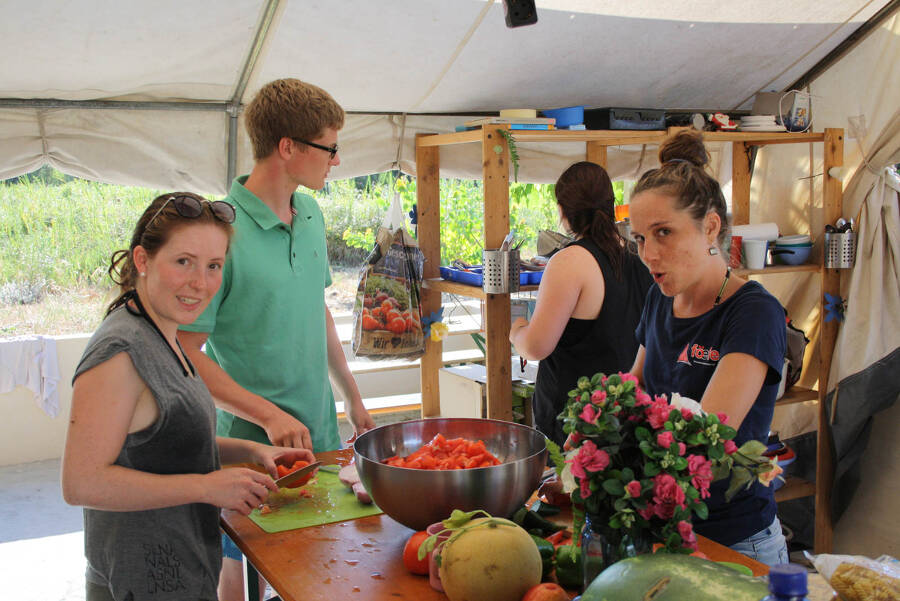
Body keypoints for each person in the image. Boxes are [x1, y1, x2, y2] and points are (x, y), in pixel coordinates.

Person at [177, 78, 375, 600]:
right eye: (329, 147)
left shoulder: (310, 214)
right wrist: (267, 415)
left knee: (318, 567)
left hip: (320, 434)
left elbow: (318, 313)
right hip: (249, 445)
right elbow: (187, 354)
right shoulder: (220, 231)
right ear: (288, 147)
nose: (336, 160)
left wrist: (352, 397)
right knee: (244, 569)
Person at [61, 193, 315, 601]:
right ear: (142, 260)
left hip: (184, 570)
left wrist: (254, 450)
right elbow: (82, 482)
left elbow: (161, 444)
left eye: (214, 266)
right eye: (184, 262)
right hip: (140, 581)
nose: (201, 283)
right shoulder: (119, 353)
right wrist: (205, 487)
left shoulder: (164, 330)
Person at [628, 130, 788, 565]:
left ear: (711, 227)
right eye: (640, 238)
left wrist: (612, 457)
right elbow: (633, 388)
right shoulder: (659, 299)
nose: (649, 254)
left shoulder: (753, 313)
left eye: (664, 233)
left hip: (733, 543)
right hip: (661, 530)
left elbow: (706, 434)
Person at [509, 162, 653, 447]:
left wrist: (517, 331)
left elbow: (536, 347)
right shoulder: (640, 257)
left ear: (563, 212)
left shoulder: (570, 261)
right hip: (626, 412)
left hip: (575, 421)